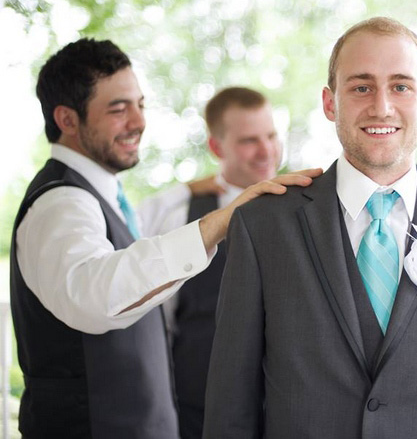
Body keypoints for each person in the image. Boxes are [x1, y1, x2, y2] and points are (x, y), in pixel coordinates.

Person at [203, 17, 417, 438]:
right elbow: (231, 405)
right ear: (329, 103)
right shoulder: (262, 225)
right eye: (360, 87)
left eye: (400, 87)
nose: (381, 106)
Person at [9, 38, 319, 438]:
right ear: (68, 120)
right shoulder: (61, 202)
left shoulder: (102, 198)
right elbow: (95, 295)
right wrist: (219, 222)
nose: (138, 122)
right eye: (119, 109)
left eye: (140, 105)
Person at [138, 86, 282, 438]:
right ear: (216, 148)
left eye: (272, 135)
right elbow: (155, 322)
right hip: (196, 412)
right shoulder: (177, 214)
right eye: (249, 140)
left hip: (286, 412)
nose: (266, 151)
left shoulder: (302, 206)